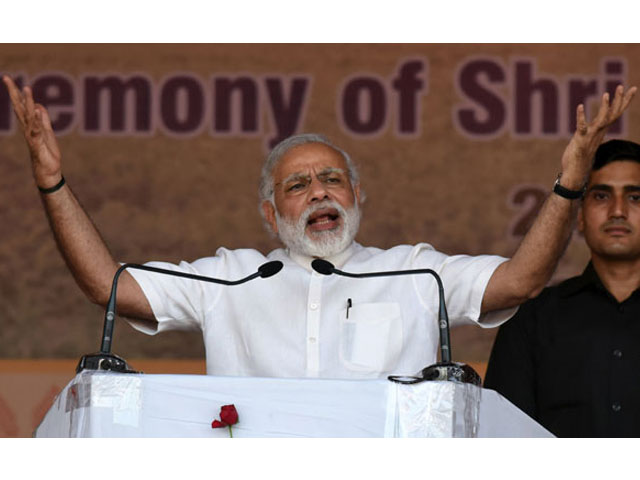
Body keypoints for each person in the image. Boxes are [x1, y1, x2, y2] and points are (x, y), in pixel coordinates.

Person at [3, 75, 636, 379]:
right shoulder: (232, 277)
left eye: (332, 179)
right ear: (271, 214)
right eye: (298, 185)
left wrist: (570, 183)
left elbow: (522, 281)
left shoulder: (414, 272)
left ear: (358, 195)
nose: (319, 192)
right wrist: (52, 183)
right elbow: (109, 286)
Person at [484, 139, 640, 437]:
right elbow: (503, 438)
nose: (618, 211)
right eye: (601, 196)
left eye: (635, 197)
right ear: (579, 216)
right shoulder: (532, 318)